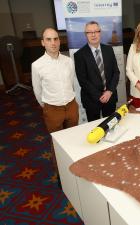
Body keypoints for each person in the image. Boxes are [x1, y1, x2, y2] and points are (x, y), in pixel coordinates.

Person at [31, 27, 79, 182]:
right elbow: (38, 92)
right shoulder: (37, 65)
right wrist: (48, 107)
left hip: (71, 106)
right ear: (42, 43)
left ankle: (75, 168)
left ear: (59, 41)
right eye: (49, 39)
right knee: (57, 144)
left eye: (56, 39)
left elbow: (71, 82)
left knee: (73, 139)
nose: (53, 43)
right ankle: (62, 175)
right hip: (52, 109)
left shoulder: (68, 61)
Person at [74, 21, 120, 122]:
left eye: (96, 31)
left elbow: (116, 73)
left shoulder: (109, 50)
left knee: (110, 126)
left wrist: (109, 92)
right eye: (89, 32)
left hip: (110, 97)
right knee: (94, 128)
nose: (93, 34)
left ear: (100, 33)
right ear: (85, 35)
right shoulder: (79, 55)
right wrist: (99, 96)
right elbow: (83, 80)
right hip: (91, 100)